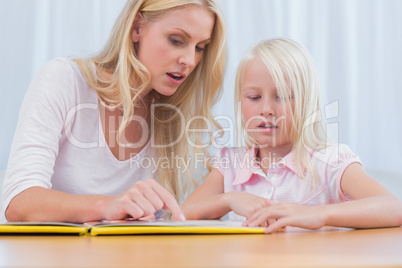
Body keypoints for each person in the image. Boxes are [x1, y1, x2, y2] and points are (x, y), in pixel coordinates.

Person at [1, 0, 226, 223]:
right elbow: (18, 202)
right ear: (137, 28)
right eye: (176, 41)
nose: (189, 60)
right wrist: (107, 206)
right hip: (53, 257)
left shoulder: (171, 115)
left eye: (199, 48)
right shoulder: (65, 80)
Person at [179, 38, 402, 232]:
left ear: (308, 103)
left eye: (283, 97)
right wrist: (229, 200)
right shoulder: (231, 163)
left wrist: (319, 215)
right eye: (254, 97)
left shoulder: (329, 161)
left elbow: (394, 208)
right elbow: (181, 216)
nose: (266, 109)